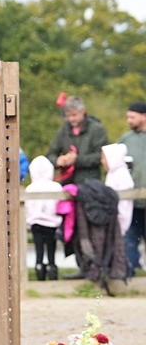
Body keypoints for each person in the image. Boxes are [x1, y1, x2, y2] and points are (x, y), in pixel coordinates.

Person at [46, 96, 109, 184]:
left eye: (74, 115)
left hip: (90, 183)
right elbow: (50, 153)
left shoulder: (97, 130)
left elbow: (102, 156)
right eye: (68, 116)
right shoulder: (64, 130)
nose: (71, 119)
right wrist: (58, 161)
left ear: (83, 111)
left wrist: (77, 160)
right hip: (67, 183)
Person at [116, 100, 146, 273]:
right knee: (129, 240)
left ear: (144, 116)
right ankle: (130, 277)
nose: (129, 120)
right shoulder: (125, 140)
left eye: (132, 117)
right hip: (131, 201)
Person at [25, 155, 63, 280]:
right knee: (51, 247)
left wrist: (28, 222)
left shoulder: (30, 188)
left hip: (36, 223)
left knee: (39, 248)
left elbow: (27, 208)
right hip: (52, 223)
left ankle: (39, 267)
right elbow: (59, 205)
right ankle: (52, 267)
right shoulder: (56, 187)